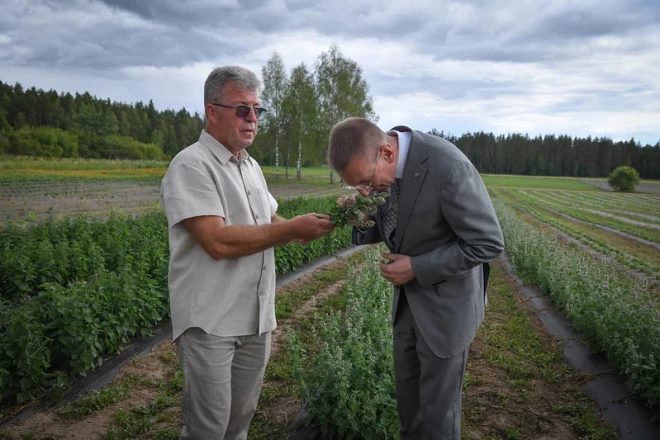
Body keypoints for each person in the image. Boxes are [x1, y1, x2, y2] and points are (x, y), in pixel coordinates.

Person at [160, 65, 334, 439]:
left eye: (258, 110)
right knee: (208, 428)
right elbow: (217, 241)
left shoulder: (250, 165)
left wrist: (320, 223)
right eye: (242, 109)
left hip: (255, 317)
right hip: (211, 322)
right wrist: (290, 228)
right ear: (212, 110)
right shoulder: (191, 164)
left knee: (239, 420)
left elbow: (269, 219)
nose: (252, 118)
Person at [328, 117, 504, 439]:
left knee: (439, 420)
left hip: (446, 312)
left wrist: (417, 267)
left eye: (366, 181)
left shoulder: (447, 166)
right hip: (407, 307)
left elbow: (487, 243)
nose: (365, 191)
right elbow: (395, 223)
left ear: (387, 153)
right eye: (356, 186)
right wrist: (362, 217)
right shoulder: (383, 172)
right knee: (410, 415)